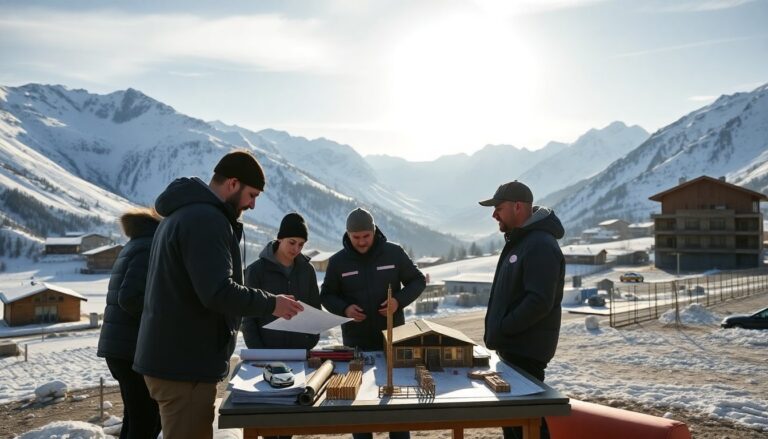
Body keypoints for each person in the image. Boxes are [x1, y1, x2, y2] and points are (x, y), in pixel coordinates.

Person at [133, 150, 304, 439]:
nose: (252, 204)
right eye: (252, 195)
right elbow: (217, 292)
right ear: (233, 183)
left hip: (178, 359)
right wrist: (272, 303)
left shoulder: (186, 213)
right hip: (184, 364)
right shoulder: (204, 220)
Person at [320, 207, 426, 439]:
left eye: (365, 236)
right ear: (347, 234)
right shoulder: (338, 262)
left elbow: (417, 281)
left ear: (374, 230)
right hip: (356, 343)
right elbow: (326, 295)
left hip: (392, 340)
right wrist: (344, 309)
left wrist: (398, 301)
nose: (361, 241)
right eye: (355, 237)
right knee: (358, 406)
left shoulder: (394, 253)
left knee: (396, 402)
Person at [478, 181, 565, 439]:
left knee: (527, 424)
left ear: (518, 207)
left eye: (499, 208)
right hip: (514, 350)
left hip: (525, 350)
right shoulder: (523, 241)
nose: (494, 215)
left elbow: (539, 301)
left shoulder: (539, 244)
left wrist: (504, 328)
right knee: (516, 422)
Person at [241, 212, 319, 439]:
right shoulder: (256, 271)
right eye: (291, 242)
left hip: (297, 354)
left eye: (301, 244)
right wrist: (260, 354)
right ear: (279, 239)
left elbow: (315, 308)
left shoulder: (307, 270)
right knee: (267, 419)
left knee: (289, 420)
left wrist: (309, 342)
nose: (296, 249)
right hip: (267, 353)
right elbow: (248, 318)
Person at [97, 207, 162, 439]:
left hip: (120, 347)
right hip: (132, 348)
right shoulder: (148, 247)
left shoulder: (135, 245)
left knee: (136, 417)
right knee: (147, 420)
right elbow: (130, 297)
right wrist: (160, 318)